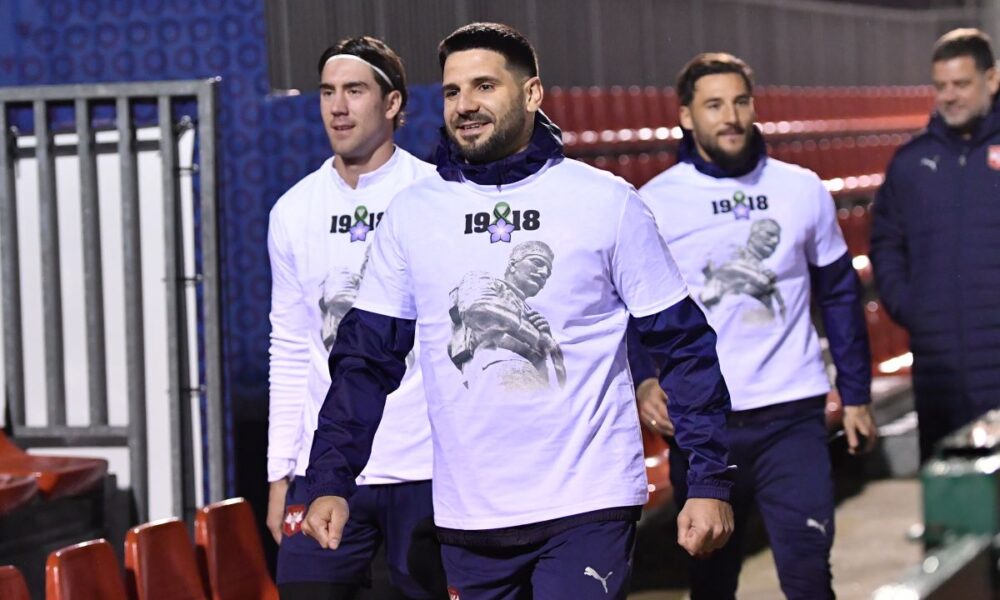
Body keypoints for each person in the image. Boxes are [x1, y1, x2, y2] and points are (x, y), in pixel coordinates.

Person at [302, 22, 735, 600]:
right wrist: (330, 477)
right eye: (453, 91)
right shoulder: (411, 215)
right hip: (469, 514)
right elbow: (365, 361)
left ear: (532, 94)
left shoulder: (606, 201)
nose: (466, 105)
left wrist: (708, 479)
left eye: (484, 86)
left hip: (590, 501)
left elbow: (683, 346)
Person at [634, 53, 877, 600]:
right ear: (687, 117)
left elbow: (839, 292)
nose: (731, 116)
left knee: (809, 575)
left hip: (793, 416)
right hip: (703, 428)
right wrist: (643, 380)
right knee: (711, 583)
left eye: (741, 101)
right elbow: (630, 312)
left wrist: (856, 393)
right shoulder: (653, 203)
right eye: (714, 105)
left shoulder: (802, 188)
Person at [265, 36, 443, 600]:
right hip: (327, 469)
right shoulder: (293, 211)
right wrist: (281, 473)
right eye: (327, 92)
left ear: (392, 104)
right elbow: (291, 346)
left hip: (428, 466)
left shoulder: (435, 197)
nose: (338, 107)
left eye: (355, 91)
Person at [871, 28, 1000, 462]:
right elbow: (886, 243)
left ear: (993, 80)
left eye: (961, 84)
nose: (949, 96)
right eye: (941, 86)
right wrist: (911, 306)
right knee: (955, 506)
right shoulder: (910, 164)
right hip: (940, 370)